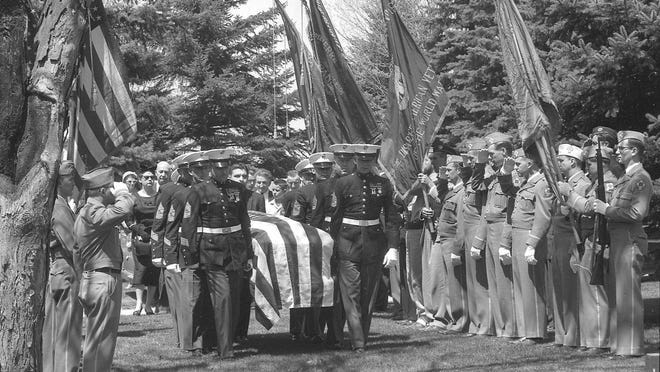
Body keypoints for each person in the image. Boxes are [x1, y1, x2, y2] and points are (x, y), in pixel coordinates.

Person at [181, 149, 253, 359]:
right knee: (223, 298)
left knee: (234, 300)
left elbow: (244, 223)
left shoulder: (238, 188)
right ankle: (225, 349)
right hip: (210, 252)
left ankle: (221, 341)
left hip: (235, 251)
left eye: (226, 168)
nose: (222, 172)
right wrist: (189, 256)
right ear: (211, 168)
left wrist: (248, 253)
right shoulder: (198, 191)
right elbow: (188, 225)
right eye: (218, 169)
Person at [330, 144, 401, 352]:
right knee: (351, 294)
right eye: (361, 160)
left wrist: (393, 247)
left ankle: (361, 337)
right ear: (355, 160)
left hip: (373, 243)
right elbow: (335, 218)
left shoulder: (383, 183)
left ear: (373, 161)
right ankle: (358, 342)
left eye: (368, 160)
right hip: (347, 242)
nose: (364, 163)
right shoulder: (343, 183)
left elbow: (392, 217)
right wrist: (332, 246)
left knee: (368, 294)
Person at [592, 131, 651, 356]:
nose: (617, 151)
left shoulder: (640, 178)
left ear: (634, 151)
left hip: (629, 242)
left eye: (622, 148)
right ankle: (620, 345)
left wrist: (607, 210)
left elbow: (637, 212)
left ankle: (632, 346)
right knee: (619, 294)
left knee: (628, 296)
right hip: (619, 242)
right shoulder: (625, 178)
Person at [74, 167, 134, 371]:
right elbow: (123, 209)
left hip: (94, 279)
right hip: (103, 280)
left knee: (97, 341)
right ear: (101, 191)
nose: (113, 191)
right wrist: (124, 192)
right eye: (110, 188)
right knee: (102, 344)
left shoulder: (86, 212)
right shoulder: (93, 212)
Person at [558, 144, 616, 353]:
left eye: (592, 162)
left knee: (596, 292)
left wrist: (570, 194)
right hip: (588, 239)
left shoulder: (607, 183)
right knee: (588, 292)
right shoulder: (594, 183)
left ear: (603, 163)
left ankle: (599, 340)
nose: (588, 165)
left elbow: (592, 207)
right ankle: (591, 338)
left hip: (599, 240)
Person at [163, 152, 216, 353]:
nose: (203, 172)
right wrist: (176, 255)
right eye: (198, 169)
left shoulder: (214, 192)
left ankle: (208, 341)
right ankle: (191, 343)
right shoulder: (181, 195)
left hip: (210, 252)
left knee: (208, 300)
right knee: (192, 300)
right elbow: (173, 226)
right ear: (190, 172)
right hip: (190, 253)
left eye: (205, 168)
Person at [469, 132, 518, 339]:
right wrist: (479, 164)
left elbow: (511, 208)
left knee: (505, 282)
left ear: (504, 151)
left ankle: (511, 327)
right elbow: (477, 186)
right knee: (494, 281)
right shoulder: (493, 174)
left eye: (491, 153)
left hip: (502, 228)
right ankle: (500, 327)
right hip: (489, 229)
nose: (489, 157)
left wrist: (506, 241)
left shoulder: (512, 174)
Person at [500, 148, 549, 344]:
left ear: (531, 163)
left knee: (532, 284)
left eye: (519, 162)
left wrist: (533, 243)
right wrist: (505, 172)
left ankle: (536, 331)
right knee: (521, 284)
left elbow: (543, 216)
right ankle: (526, 330)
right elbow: (507, 190)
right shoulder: (526, 183)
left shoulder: (541, 183)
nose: (516, 165)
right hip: (518, 235)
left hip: (529, 236)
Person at [545, 144, 590, 348]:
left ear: (573, 161)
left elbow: (583, 211)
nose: (558, 164)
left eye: (561, 160)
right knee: (559, 287)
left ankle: (573, 334)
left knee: (571, 289)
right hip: (559, 238)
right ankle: (562, 334)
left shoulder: (583, 183)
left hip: (572, 238)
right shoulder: (562, 182)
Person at [43, 161, 83, 372]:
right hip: (66, 270)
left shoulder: (56, 204)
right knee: (68, 331)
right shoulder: (59, 207)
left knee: (53, 330)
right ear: (60, 182)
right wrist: (82, 275)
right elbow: (73, 246)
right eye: (70, 179)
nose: (73, 184)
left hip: (55, 270)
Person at [462, 138, 495, 336]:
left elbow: (484, 210)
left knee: (481, 281)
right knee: (472, 280)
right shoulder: (473, 174)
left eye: (472, 158)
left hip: (477, 231)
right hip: (467, 231)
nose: (470, 162)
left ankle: (486, 322)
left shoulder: (487, 175)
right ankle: (476, 322)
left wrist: (479, 239)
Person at [129, 171, 160, 315]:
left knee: (154, 270)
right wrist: (138, 230)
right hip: (139, 239)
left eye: (151, 177)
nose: (149, 179)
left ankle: (148, 305)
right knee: (140, 270)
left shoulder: (159, 197)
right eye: (146, 177)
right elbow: (128, 219)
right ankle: (138, 304)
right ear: (140, 180)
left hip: (156, 237)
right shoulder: (134, 197)